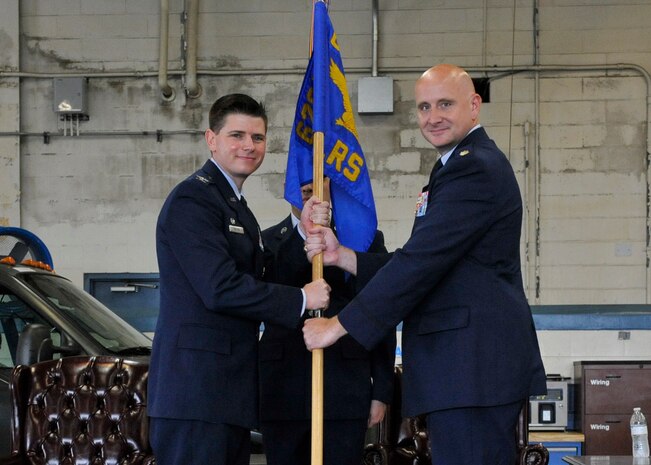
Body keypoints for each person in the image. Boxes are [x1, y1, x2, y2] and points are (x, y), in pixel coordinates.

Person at [302, 64, 547, 464]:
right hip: (463, 372)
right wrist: (340, 257)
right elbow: (426, 259)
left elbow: (420, 264)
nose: (432, 117)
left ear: (474, 105)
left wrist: (337, 327)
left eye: (445, 104)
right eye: (424, 107)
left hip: (472, 369)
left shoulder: (474, 167)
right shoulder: (452, 166)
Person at [149, 93, 331, 465]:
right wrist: (301, 300)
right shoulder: (193, 200)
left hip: (225, 395)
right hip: (195, 396)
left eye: (258, 137)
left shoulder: (234, 206)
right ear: (211, 139)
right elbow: (219, 288)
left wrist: (302, 230)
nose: (249, 145)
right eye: (237, 135)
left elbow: (262, 273)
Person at [258, 179, 395, 465]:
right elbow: (268, 292)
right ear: (290, 191)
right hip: (283, 389)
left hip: (344, 385)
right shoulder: (269, 240)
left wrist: (381, 390)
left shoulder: (364, 239)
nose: (314, 199)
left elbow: (381, 311)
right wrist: (303, 235)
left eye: (321, 192)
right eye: (307, 192)